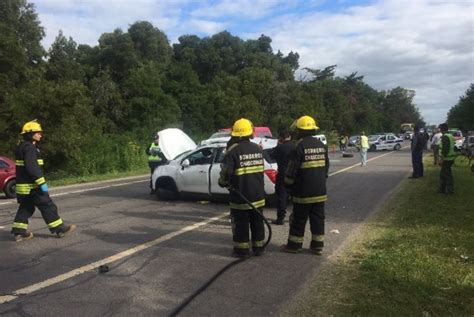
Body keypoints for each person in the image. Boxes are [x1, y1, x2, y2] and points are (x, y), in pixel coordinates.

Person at [11, 120, 76, 242]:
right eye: (38, 132)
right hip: (33, 186)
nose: (41, 134)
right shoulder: (30, 148)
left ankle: (18, 232)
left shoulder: (22, 147)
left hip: (24, 187)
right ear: (30, 134)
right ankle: (59, 228)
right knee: (47, 205)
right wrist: (41, 182)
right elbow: (32, 167)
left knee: (26, 208)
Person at [281, 115, 329, 255]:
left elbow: (292, 169)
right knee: (318, 219)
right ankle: (317, 246)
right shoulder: (322, 145)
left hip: (303, 191)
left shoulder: (298, 146)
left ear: (300, 130)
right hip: (320, 190)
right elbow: (326, 167)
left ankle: (294, 246)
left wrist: (287, 184)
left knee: (298, 219)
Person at [218, 118, 266, 258]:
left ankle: (242, 250)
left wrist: (223, 182)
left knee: (241, 223)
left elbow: (226, 174)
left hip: (240, 196)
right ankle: (259, 248)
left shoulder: (232, 151)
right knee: (257, 222)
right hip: (258, 195)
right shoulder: (257, 149)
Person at [270, 128, 294, 225]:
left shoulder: (280, 148)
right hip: (295, 175)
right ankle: (295, 216)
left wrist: (277, 146)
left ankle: (280, 218)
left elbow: (272, 156)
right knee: (295, 196)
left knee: (282, 197)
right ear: (290, 137)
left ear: (280, 138)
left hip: (283, 175)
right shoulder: (295, 146)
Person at [438, 123, 455, 194]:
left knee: (447, 175)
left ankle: (449, 190)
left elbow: (445, 150)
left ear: (442, 129)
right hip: (450, 158)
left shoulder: (445, 137)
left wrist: (441, 159)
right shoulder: (450, 136)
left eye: (440, 129)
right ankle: (442, 190)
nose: (440, 130)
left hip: (446, 159)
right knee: (443, 174)